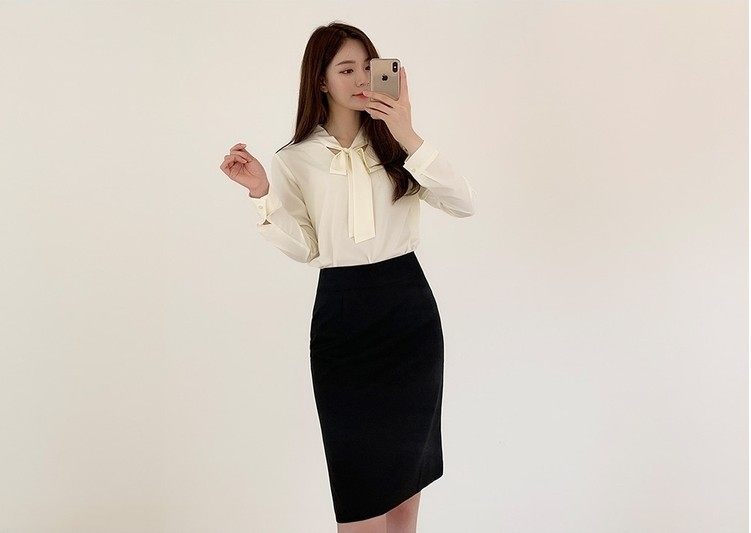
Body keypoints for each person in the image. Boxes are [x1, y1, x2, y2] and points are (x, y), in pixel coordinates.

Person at [219, 21, 476, 533]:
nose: (361, 79)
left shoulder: (399, 144)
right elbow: (305, 248)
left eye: (367, 67)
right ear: (320, 79)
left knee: (405, 492)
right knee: (359, 498)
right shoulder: (294, 159)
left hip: (408, 314)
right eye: (346, 69)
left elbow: (462, 203)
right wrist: (261, 192)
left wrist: (407, 132)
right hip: (343, 316)